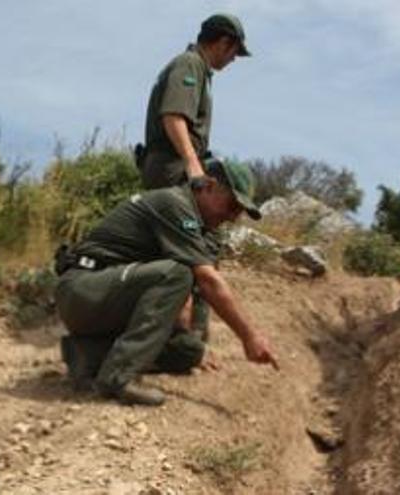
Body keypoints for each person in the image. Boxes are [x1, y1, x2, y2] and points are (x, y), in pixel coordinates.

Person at [55, 157, 279, 406]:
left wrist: (193, 342)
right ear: (209, 186)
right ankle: (117, 377)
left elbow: (202, 292)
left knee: (188, 352)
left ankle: (87, 356)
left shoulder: (199, 224)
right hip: (82, 290)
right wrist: (249, 336)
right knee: (176, 273)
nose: (233, 217)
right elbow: (207, 280)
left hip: (110, 299)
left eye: (239, 212)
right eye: (232, 206)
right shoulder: (176, 205)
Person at [138, 13, 251, 189]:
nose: (234, 58)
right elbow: (173, 116)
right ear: (223, 43)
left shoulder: (198, 67)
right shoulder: (190, 63)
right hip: (173, 167)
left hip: (173, 166)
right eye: (235, 51)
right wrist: (192, 163)